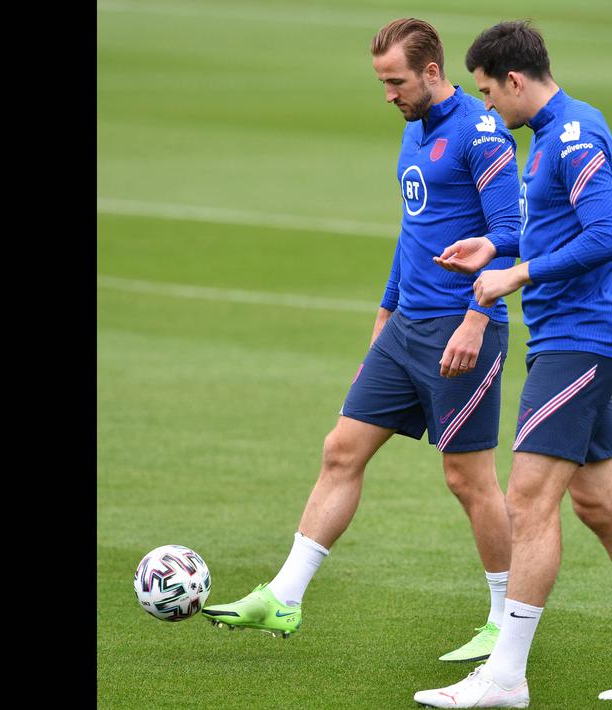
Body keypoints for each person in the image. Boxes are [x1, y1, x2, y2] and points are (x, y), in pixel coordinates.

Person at [203, 18, 525, 664]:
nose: (388, 95)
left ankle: (505, 621)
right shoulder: (413, 128)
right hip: (405, 328)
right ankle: (285, 595)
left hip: (460, 329)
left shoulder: (482, 133)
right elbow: (413, 229)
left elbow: (512, 232)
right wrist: (385, 310)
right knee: (340, 450)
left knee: (467, 479)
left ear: (431, 71)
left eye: (396, 82)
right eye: (382, 82)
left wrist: (475, 318)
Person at [413, 21, 612, 707]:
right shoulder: (550, 137)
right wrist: (494, 248)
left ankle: (505, 676)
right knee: (601, 503)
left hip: (579, 340)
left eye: (489, 93)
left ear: (514, 80)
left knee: (526, 499)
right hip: (563, 338)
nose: (488, 108)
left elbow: (605, 237)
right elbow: (553, 228)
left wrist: (517, 276)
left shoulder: (574, 136)